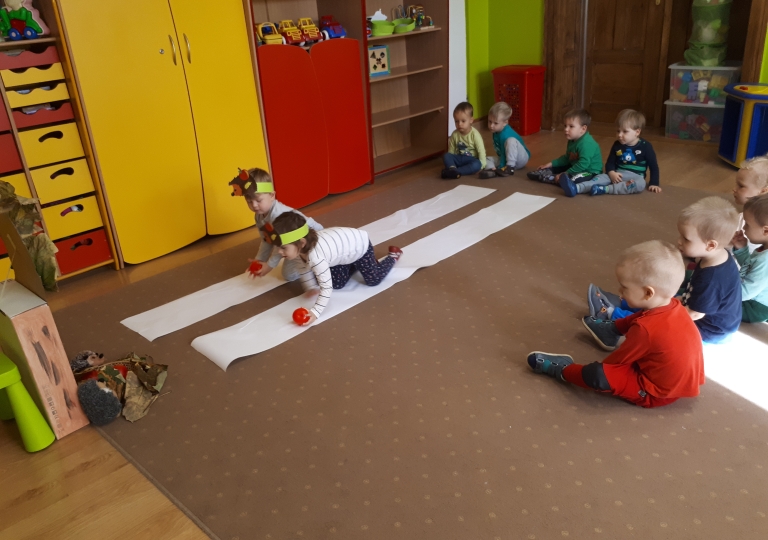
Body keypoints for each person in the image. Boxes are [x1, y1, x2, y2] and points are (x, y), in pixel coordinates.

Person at [528, 240, 704, 409]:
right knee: (641, 316)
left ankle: (564, 369)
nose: (620, 293)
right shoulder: (672, 305)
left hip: (654, 392)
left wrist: (599, 370)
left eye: (624, 288)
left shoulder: (645, 330)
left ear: (648, 293)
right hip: (670, 378)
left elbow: (615, 364)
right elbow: (642, 319)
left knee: (597, 374)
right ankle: (610, 330)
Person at [270, 212, 403, 325]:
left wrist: (315, 312)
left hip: (360, 246)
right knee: (337, 283)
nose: (279, 252)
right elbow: (303, 268)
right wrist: (311, 287)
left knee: (373, 279)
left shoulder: (317, 258)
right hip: (344, 251)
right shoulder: (300, 250)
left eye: (283, 248)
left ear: (302, 243)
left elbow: (326, 288)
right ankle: (355, 263)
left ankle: (393, 256)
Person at [229, 168, 323, 282]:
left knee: (289, 274)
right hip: (293, 242)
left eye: (258, 200)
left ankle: (315, 265)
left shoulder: (277, 215)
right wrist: (259, 260)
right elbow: (267, 240)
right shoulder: (259, 216)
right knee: (288, 273)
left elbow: (279, 244)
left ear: (272, 195)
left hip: (314, 238)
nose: (254, 205)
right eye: (249, 201)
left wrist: (269, 266)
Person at [676, 196, 742, 342]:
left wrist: (664, 312)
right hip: (704, 311)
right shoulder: (719, 255)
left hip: (710, 329)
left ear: (711, 245)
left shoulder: (711, 279)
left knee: (658, 323)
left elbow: (695, 314)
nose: (679, 241)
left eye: (686, 239)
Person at [560, 109, 661, 197]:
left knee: (641, 184)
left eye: (625, 131)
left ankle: (606, 189)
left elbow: (654, 167)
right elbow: (610, 162)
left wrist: (654, 183)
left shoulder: (646, 146)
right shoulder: (617, 145)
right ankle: (577, 188)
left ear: (637, 132)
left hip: (635, 177)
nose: (619, 135)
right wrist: (611, 173)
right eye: (618, 131)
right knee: (599, 178)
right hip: (617, 174)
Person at [527, 108, 602, 186]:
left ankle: (555, 178)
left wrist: (566, 173)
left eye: (571, 126)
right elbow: (567, 158)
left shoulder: (587, 144)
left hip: (590, 172)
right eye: (565, 126)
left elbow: (583, 164)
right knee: (562, 166)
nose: (566, 129)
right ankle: (547, 172)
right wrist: (550, 164)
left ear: (583, 129)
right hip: (576, 167)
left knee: (576, 179)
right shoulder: (572, 140)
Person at [732, 193, 768, 323]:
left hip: (755, 306)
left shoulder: (765, 260)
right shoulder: (764, 249)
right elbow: (750, 267)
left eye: (747, 224)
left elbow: (747, 292)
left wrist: (724, 291)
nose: (743, 228)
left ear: (766, 231)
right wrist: (742, 249)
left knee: (715, 305)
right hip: (749, 297)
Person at [478, 101, 530, 179]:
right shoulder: (496, 131)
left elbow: (503, 151)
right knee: (487, 159)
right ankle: (492, 170)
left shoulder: (504, 134)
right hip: (506, 158)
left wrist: (501, 166)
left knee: (510, 141)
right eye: (490, 121)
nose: (491, 126)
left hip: (520, 158)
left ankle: (509, 168)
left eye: (495, 123)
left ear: (505, 123)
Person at [731, 154, 768, 253]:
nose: (734, 189)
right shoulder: (743, 216)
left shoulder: (756, 223)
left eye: (741, 186)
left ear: (763, 191)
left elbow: (750, 253)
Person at [442, 102, 486, 180]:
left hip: (471, 160)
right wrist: (451, 162)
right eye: (456, 121)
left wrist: (481, 166)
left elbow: (481, 151)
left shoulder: (475, 135)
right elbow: (451, 152)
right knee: (446, 156)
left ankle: (455, 171)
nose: (459, 124)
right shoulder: (454, 134)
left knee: (477, 164)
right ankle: (452, 169)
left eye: (463, 121)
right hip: (459, 159)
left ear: (471, 120)